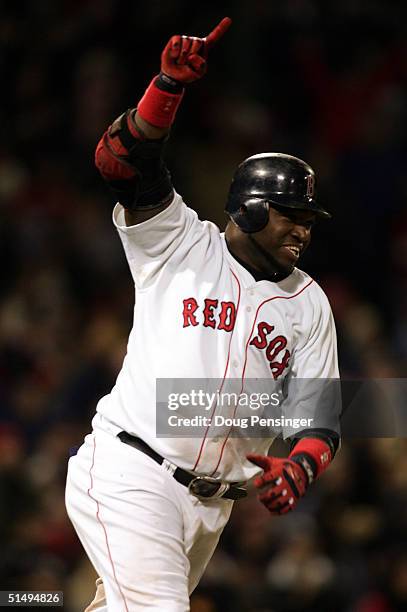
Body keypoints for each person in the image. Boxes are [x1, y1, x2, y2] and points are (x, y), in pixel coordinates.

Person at [65, 17, 341, 612]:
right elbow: (123, 163)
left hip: (212, 510)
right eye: (289, 213)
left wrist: (298, 468)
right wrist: (165, 88)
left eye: (308, 219)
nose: (301, 228)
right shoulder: (182, 242)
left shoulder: (310, 302)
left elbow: (319, 420)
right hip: (133, 469)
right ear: (248, 207)